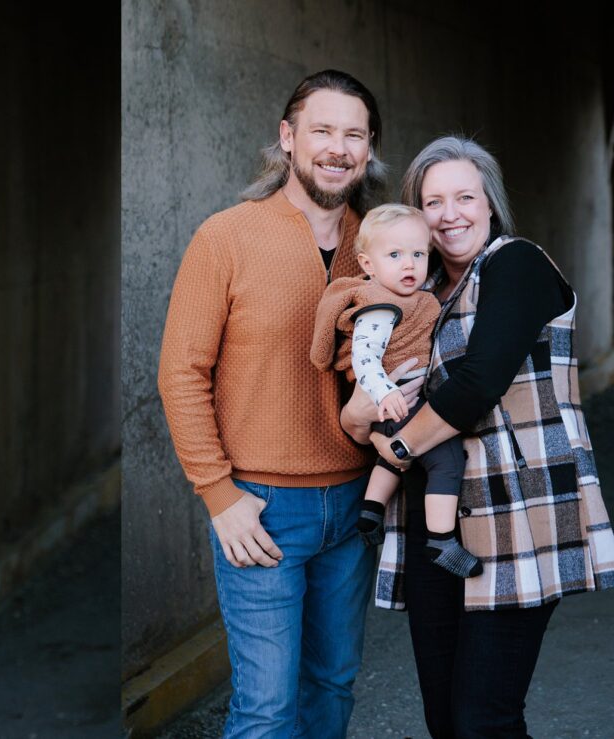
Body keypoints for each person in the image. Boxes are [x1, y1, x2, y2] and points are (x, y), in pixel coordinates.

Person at [158, 69, 406, 738]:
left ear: (369, 147)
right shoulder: (227, 236)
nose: (337, 147)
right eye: (322, 130)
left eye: (354, 134)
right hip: (262, 507)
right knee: (266, 709)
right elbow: (181, 373)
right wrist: (218, 493)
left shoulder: (387, 247)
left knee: (330, 688)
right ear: (288, 137)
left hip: (354, 504)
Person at [339, 135, 614, 738]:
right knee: (444, 718)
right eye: (433, 201)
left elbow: (478, 382)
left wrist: (401, 446)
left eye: (466, 196)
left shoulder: (517, 264)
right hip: (434, 522)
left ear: (491, 205)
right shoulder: (415, 293)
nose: (450, 213)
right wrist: (360, 419)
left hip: (519, 512)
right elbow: (358, 397)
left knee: (484, 720)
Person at [308, 204, 477, 577]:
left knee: (392, 458)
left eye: (418, 254)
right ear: (368, 265)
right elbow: (364, 357)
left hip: (397, 400)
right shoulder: (380, 306)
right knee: (446, 458)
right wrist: (385, 393)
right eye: (395, 255)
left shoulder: (413, 298)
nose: (409, 265)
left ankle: (371, 509)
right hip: (390, 400)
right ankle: (441, 539)